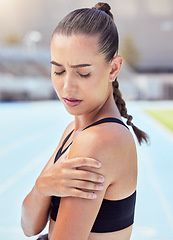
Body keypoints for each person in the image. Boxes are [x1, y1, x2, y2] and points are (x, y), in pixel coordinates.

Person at [21, 2, 149, 240]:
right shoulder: (74, 130)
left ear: (113, 68)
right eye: (58, 71)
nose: (67, 86)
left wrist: (42, 188)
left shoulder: (100, 140)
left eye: (83, 73)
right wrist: (42, 187)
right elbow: (29, 226)